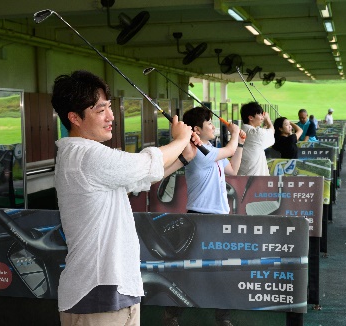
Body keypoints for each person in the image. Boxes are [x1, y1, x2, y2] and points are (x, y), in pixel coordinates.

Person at [52, 70, 201, 326]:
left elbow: (140, 178)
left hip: (115, 286)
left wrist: (184, 157)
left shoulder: (89, 155)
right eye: (100, 110)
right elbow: (144, 163)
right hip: (97, 290)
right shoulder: (84, 155)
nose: (111, 116)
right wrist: (180, 138)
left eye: (109, 107)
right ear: (74, 117)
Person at [163, 106, 245, 326]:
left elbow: (233, 169)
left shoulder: (210, 148)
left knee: (222, 267)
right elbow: (228, 151)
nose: (213, 126)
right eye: (209, 123)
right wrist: (235, 135)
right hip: (199, 217)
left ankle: (222, 315)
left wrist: (241, 144)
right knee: (190, 268)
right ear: (197, 130)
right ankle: (173, 313)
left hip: (220, 217)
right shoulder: (199, 152)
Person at [237, 102, 274, 176]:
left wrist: (264, 125)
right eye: (260, 114)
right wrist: (268, 120)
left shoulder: (241, 131)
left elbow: (258, 132)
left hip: (242, 179)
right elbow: (271, 132)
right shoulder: (257, 133)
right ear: (250, 117)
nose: (262, 117)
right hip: (255, 181)